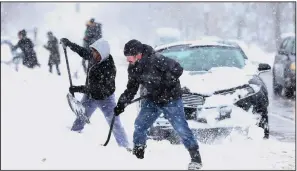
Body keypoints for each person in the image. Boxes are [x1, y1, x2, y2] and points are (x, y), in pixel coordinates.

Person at [113, 39, 203, 170]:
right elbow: (131, 88)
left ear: (138, 54)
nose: (128, 60)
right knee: (140, 125)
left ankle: (196, 158)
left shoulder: (157, 59)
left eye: (130, 57)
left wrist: (167, 82)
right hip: (153, 100)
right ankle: (138, 155)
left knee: (181, 128)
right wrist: (121, 104)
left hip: (171, 100)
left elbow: (178, 69)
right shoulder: (133, 68)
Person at [60, 37, 130, 149]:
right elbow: (82, 51)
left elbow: (97, 88)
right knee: (81, 116)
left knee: (114, 122)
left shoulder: (109, 68)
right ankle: (73, 136)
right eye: (92, 51)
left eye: (95, 52)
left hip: (105, 98)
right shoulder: (95, 57)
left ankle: (125, 146)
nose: (92, 54)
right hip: (90, 96)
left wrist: (78, 89)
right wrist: (69, 43)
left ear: (102, 53)